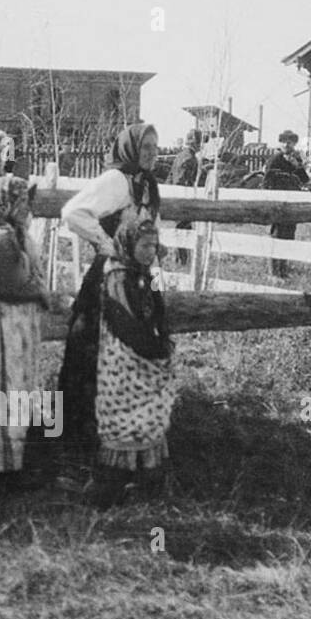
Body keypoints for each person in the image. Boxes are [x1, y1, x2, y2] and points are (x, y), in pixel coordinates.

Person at [56, 122, 161, 458]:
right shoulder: (117, 180)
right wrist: (106, 244)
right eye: (145, 147)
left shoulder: (146, 184)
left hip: (134, 280)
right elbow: (72, 212)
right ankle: (80, 444)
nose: (151, 154)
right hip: (110, 280)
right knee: (95, 354)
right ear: (130, 149)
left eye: (155, 148)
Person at [0, 175, 51, 482]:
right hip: (4, 321)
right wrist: (42, 294)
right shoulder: (0, 238)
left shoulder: (13, 233)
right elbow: (9, 286)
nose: (26, 206)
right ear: (3, 203)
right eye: (20, 200)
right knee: (4, 389)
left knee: (16, 390)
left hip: (16, 322)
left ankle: (14, 464)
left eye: (27, 200)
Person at [94, 215, 174, 501]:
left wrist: (163, 338)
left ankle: (147, 478)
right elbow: (125, 321)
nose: (150, 251)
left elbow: (159, 307)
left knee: (149, 413)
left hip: (147, 351)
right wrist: (151, 348)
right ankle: (115, 483)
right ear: (129, 243)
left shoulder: (145, 273)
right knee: (126, 415)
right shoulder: (118, 274)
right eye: (144, 245)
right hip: (125, 356)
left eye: (154, 245)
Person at [264, 130, 308, 276]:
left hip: (292, 203)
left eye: (289, 142)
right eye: (283, 141)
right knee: (277, 235)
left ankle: (284, 269)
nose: (286, 144)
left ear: (294, 144)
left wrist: (297, 166)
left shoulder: (296, 159)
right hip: (278, 204)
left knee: (289, 235)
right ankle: (274, 272)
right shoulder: (275, 160)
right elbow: (266, 183)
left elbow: (306, 180)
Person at [169, 130, 202, 238]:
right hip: (183, 199)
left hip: (177, 197)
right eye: (200, 142)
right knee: (184, 230)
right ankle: (182, 255)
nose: (201, 145)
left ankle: (181, 254)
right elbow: (181, 181)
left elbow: (170, 177)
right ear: (195, 143)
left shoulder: (181, 155)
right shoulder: (190, 159)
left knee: (183, 230)